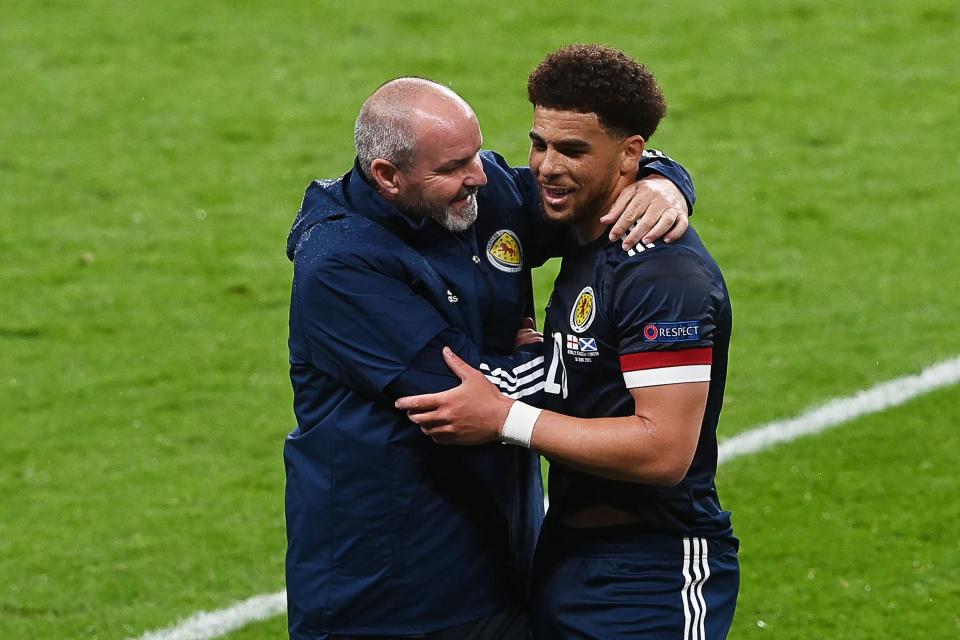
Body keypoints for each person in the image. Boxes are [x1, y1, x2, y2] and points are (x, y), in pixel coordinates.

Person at [285, 76, 697, 640]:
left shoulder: (482, 194)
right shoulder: (340, 266)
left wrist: (664, 179)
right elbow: (464, 394)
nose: (479, 175)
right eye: (454, 166)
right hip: (388, 594)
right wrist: (572, 358)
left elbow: (588, 188)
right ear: (387, 177)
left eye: (477, 154)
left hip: (502, 563)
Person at [397, 45, 738, 639]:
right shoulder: (584, 237)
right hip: (566, 555)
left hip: (652, 573)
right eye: (539, 144)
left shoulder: (662, 275)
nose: (547, 167)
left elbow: (664, 451)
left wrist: (505, 418)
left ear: (631, 154)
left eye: (573, 150)